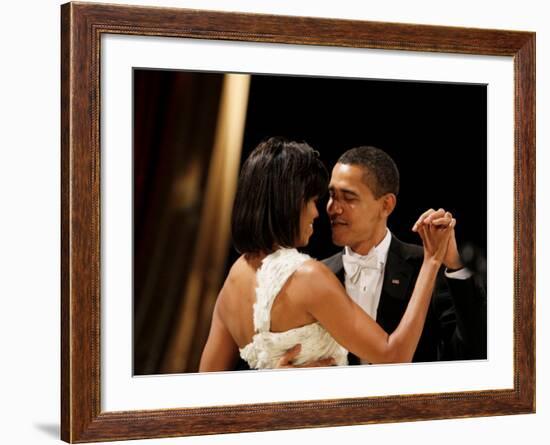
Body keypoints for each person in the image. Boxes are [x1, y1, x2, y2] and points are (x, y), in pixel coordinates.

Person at [199, 138, 455, 372]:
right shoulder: (309, 276)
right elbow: (394, 356)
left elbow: (207, 388)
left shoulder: (234, 276)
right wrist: (432, 261)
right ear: (289, 203)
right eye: (313, 200)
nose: (319, 212)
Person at [280, 146, 486, 366]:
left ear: (386, 205)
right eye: (331, 195)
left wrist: (454, 265)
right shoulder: (316, 275)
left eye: (348, 197)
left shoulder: (426, 266)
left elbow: (473, 350)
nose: (333, 208)